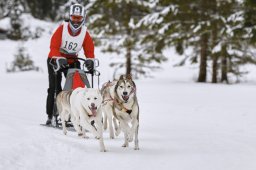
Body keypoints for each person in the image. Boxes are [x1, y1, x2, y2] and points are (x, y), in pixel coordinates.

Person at [46, 3, 95, 125]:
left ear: (83, 18)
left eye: (78, 18)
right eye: (74, 18)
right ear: (70, 17)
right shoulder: (62, 28)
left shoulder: (84, 32)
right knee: (55, 88)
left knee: (76, 88)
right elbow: (53, 46)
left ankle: (75, 114)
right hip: (55, 60)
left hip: (72, 60)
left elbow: (89, 49)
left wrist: (90, 60)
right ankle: (52, 115)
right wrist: (58, 57)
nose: (76, 21)